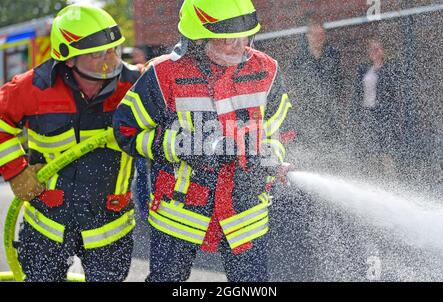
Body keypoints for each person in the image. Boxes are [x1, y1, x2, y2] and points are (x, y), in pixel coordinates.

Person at [113, 0, 292, 282]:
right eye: (226, 38)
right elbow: (126, 130)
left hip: (245, 211)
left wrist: (271, 157)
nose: (238, 44)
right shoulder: (162, 75)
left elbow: (279, 131)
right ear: (197, 39)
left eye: (244, 35)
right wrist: (184, 146)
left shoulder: (267, 70)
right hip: (179, 213)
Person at [0, 4, 141, 281]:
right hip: (46, 226)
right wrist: (16, 171)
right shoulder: (33, 89)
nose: (109, 61)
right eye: (97, 54)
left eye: (113, 50)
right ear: (68, 58)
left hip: (109, 228)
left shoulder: (136, 85)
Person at [287, 19, 344, 172]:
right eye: (315, 34)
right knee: (311, 150)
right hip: (308, 115)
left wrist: (332, 104)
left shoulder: (333, 56)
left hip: (329, 115)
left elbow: (339, 84)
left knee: (331, 151)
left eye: (322, 34)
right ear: (307, 36)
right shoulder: (300, 60)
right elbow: (295, 87)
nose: (319, 37)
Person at [349, 38, 402, 180]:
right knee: (370, 151)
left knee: (385, 151)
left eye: (377, 49)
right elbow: (357, 94)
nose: (374, 52)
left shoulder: (390, 69)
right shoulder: (364, 69)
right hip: (368, 114)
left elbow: (392, 93)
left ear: (383, 51)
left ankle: (391, 183)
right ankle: (374, 182)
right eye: (372, 49)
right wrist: (354, 115)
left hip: (383, 116)